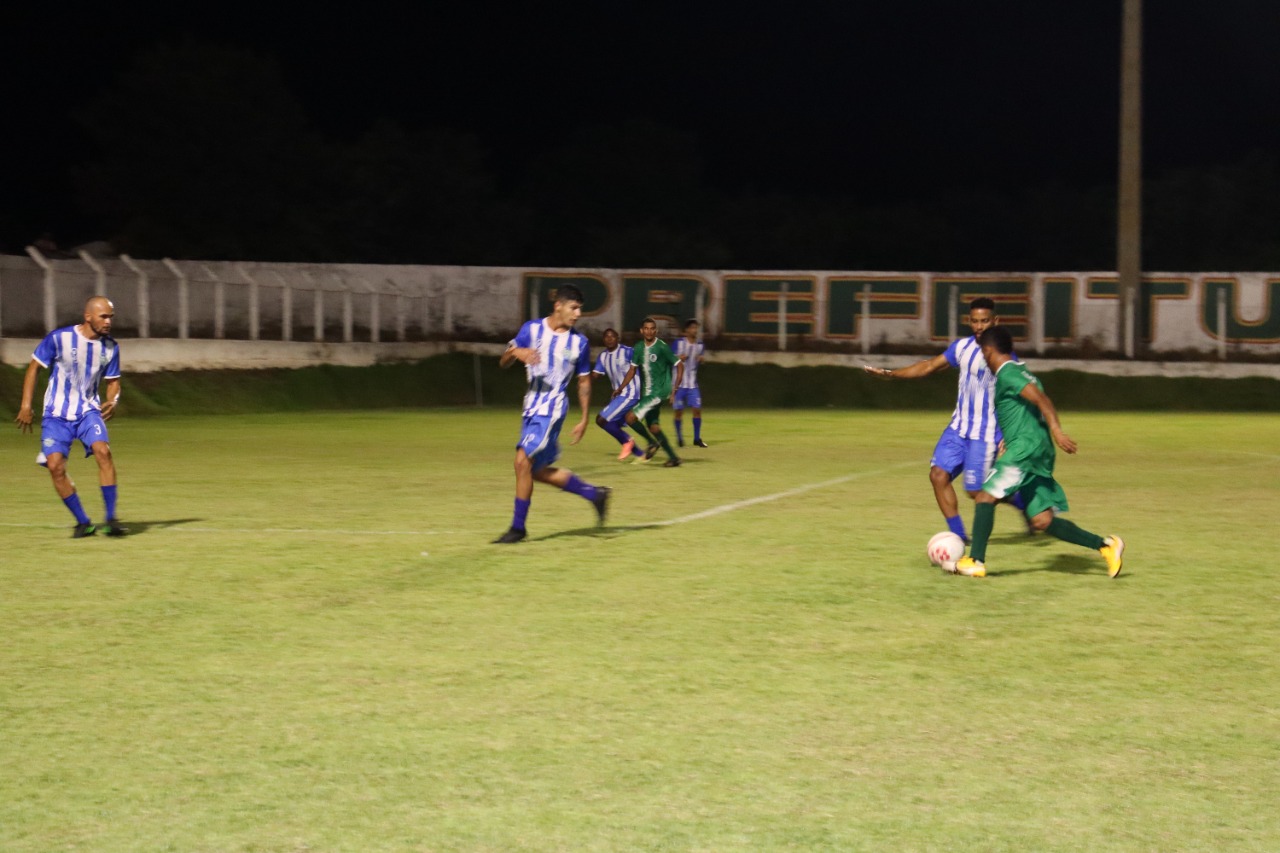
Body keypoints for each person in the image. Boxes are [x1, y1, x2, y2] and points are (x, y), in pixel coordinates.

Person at [952, 325, 1124, 578]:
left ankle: (975, 560)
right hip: (1034, 449)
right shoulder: (1021, 371)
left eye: (982, 352)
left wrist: (1057, 430)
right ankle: (1107, 546)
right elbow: (1026, 408)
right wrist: (1009, 438)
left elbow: (1041, 400)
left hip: (1026, 450)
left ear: (988, 351)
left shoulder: (1008, 373)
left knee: (985, 496)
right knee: (1042, 521)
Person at [864, 296, 1029, 541]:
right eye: (974, 321)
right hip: (958, 429)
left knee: (976, 491)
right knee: (937, 475)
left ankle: (1023, 502)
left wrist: (1009, 434)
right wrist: (892, 374)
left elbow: (1018, 396)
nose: (979, 326)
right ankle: (959, 538)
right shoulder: (962, 348)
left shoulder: (1006, 358)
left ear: (995, 321)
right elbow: (929, 365)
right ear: (969, 321)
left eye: (984, 321)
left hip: (985, 433)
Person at [493, 284, 611, 544]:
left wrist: (583, 419)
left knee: (521, 462)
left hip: (553, 408)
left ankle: (518, 528)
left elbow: (583, 382)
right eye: (574, 308)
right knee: (535, 471)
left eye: (580, 309)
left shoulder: (578, 343)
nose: (578, 314)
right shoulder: (531, 329)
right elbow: (503, 361)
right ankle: (594, 494)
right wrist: (515, 352)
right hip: (531, 406)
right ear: (558, 305)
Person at [15, 295, 128, 537]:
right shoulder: (59, 338)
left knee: (104, 452)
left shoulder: (110, 347)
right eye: (104, 316)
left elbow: (113, 381)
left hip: (88, 411)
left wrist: (113, 399)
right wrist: (26, 405)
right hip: (56, 415)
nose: (108, 322)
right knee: (55, 466)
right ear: (88, 316)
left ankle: (111, 519)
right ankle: (83, 523)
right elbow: (34, 367)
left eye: (111, 317)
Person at [615, 317, 683, 467]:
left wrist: (674, 390)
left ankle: (652, 443)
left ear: (656, 330)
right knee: (654, 427)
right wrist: (621, 388)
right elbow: (632, 370)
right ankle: (674, 458)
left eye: (652, 328)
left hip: (659, 392)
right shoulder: (639, 347)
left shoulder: (662, 347)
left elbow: (679, 365)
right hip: (647, 393)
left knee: (630, 418)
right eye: (646, 328)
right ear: (642, 330)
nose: (649, 331)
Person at [591, 327, 646, 462]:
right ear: (603, 340)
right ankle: (640, 454)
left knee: (601, 420)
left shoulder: (627, 352)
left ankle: (627, 441)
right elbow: (595, 375)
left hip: (631, 392)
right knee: (611, 423)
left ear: (618, 338)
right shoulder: (603, 356)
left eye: (612, 336)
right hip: (619, 395)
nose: (609, 339)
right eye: (606, 336)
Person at [671, 318, 708, 448]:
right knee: (678, 412)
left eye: (696, 328)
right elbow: (668, 358)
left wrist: (701, 359)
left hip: (692, 384)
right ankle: (680, 438)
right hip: (679, 384)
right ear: (686, 330)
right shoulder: (678, 343)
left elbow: (699, 360)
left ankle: (697, 438)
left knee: (697, 410)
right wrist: (677, 358)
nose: (694, 330)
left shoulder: (700, 345)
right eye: (692, 328)